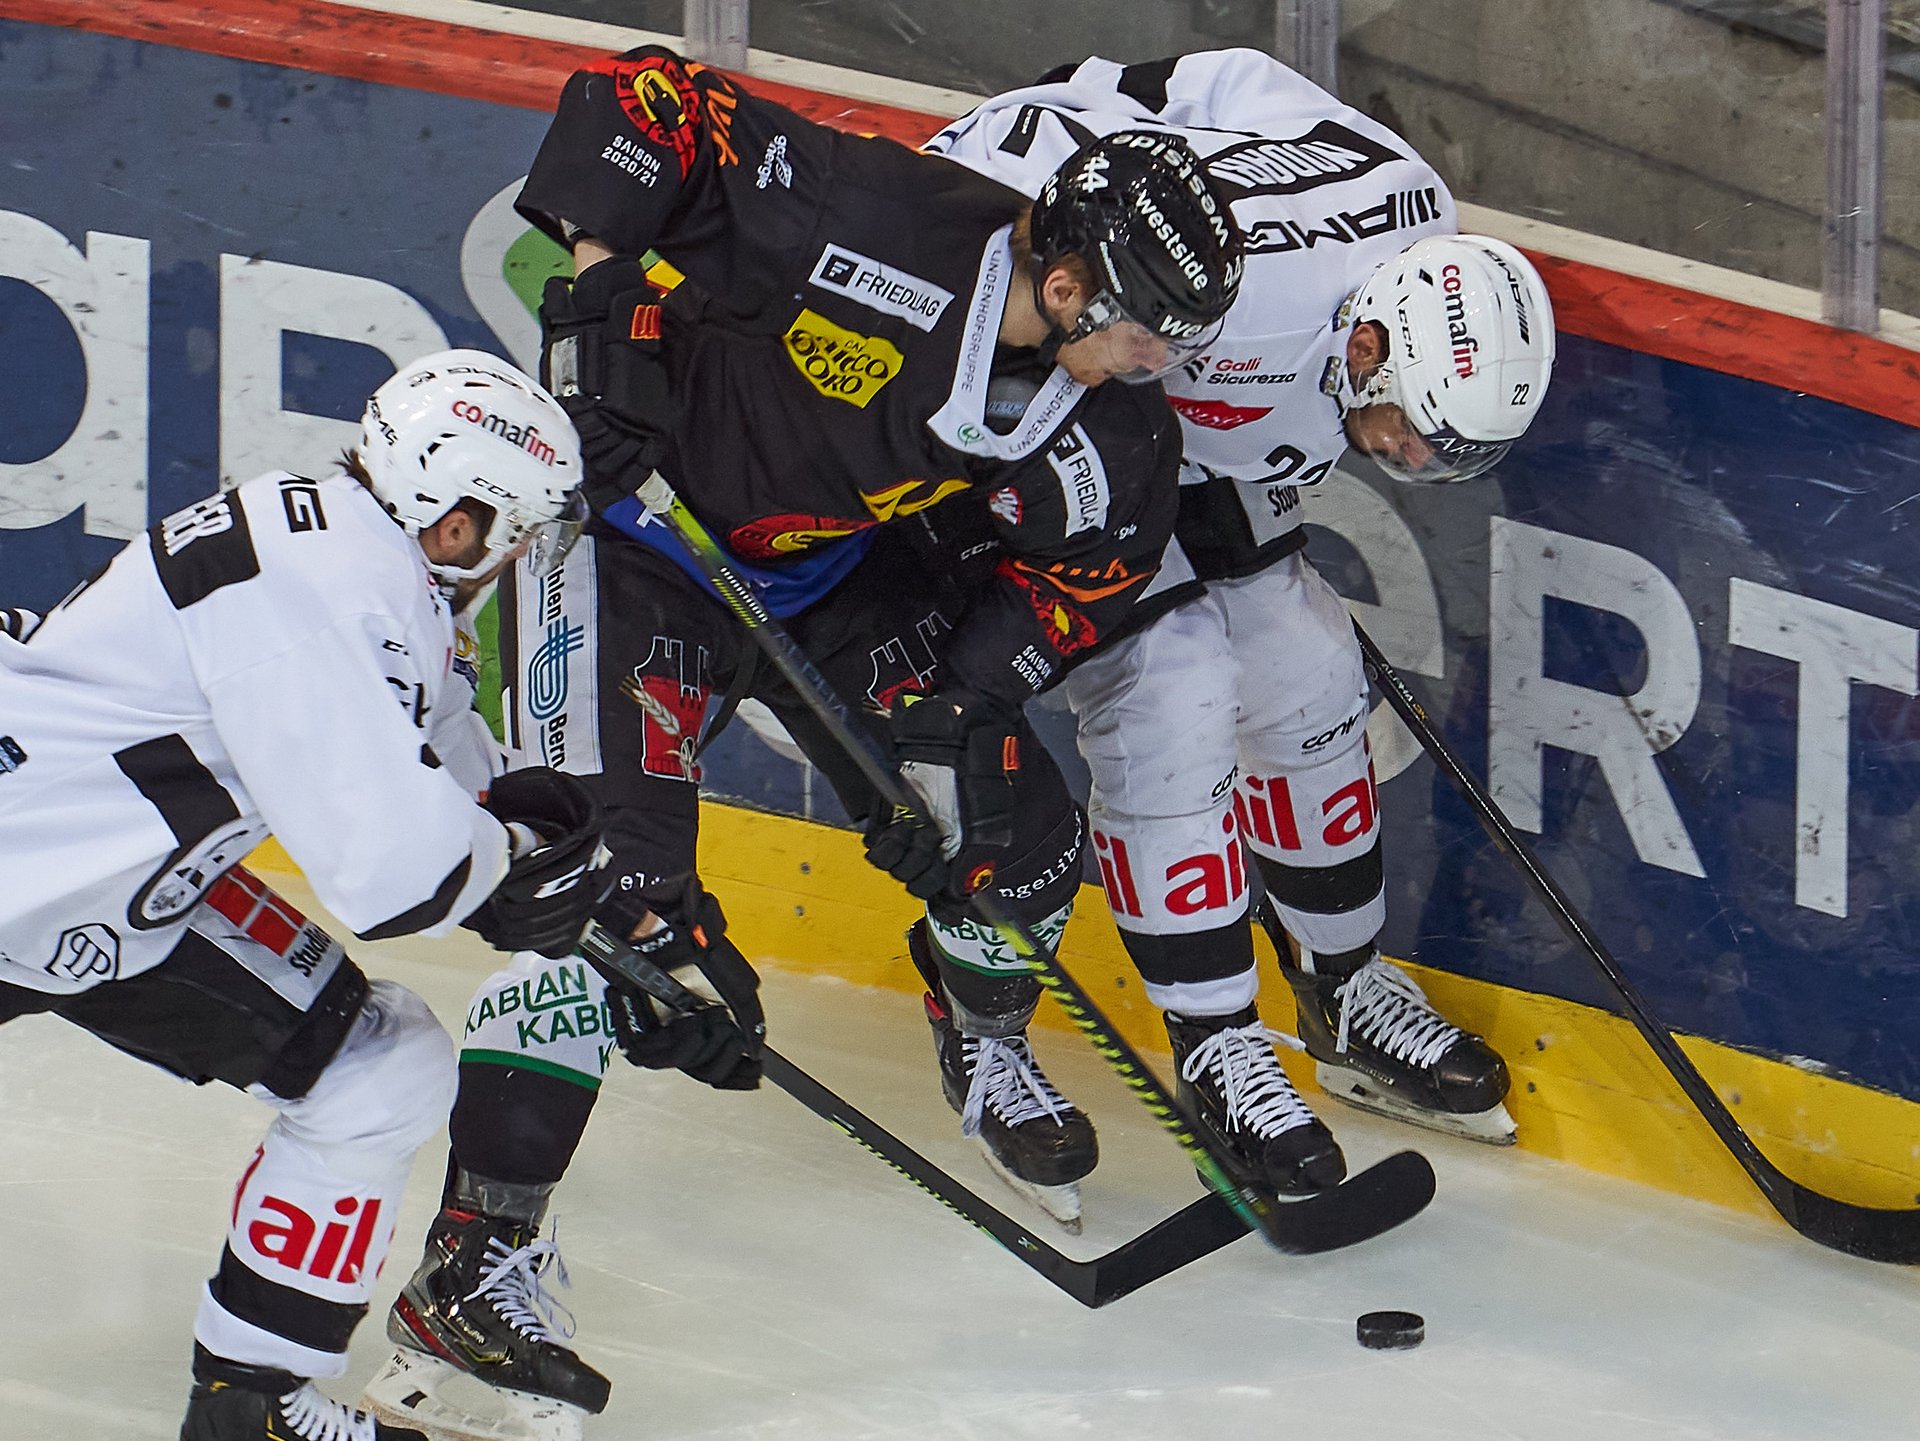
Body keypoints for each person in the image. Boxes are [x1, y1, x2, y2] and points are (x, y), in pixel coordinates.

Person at [359, 44, 1245, 1440]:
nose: (1164, 363)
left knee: (1015, 835)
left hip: (827, 576)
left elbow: (1091, 568)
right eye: (1151, 332)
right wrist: (600, 311)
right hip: (628, 549)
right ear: (1071, 284)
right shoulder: (869, 214)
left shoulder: (1109, 420)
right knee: (610, 900)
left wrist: (959, 706)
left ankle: (983, 1036)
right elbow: (642, 98)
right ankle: (471, 1275)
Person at [924, 48, 1558, 1183]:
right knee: (1171, 688)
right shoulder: (1242, 304)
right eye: (1415, 433)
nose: (1417, 463)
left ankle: (1341, 987)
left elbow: (1219, 79)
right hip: (1061, 389)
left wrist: (1111, 81)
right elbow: (1028, 296)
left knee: (1308, 664)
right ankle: (1212, 1044)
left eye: (1447, 454)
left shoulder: (1413, 206)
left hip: (1173, 412)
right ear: (1365, 346)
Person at [0, 349, 609, 1441]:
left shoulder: (358, 556)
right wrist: (511, 869)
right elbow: (396, 872)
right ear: (459, 520)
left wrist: (631, 926)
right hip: (33, 865)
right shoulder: (332, 587)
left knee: (379, 1063)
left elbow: (450, 768)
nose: (517, 556)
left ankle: (255, 1402)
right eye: (515, 530)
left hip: (92, 889)